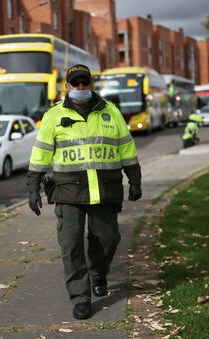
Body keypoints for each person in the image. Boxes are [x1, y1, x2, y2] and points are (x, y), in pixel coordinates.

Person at [27, 64, 142, 320]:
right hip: (68, 191)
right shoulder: (54, 116)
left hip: (104, 189)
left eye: (84, 82)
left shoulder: (110, 112)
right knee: (71, 245)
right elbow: (40, 153)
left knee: (108, 238)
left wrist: (135, 180)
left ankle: (98, 273)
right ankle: (80, 297)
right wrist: (33, 187)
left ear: (91, 84)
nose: (80, 87)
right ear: (67, 86)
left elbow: (126, 147)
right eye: (75, 83)